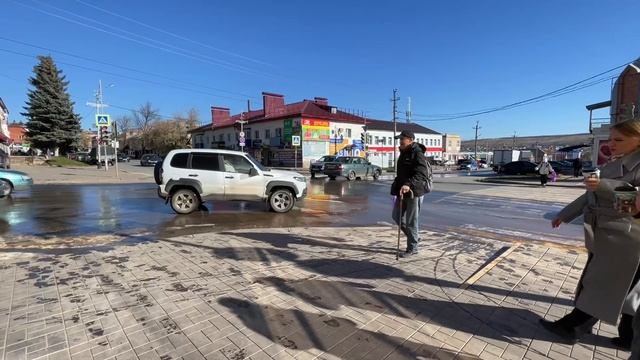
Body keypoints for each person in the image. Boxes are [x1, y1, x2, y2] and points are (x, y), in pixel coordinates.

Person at [540, 120, 640, 349]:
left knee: (602, 284)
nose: (611, 144)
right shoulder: (618, 162)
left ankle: (572, 328)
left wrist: (602, 185)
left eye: (619, 140)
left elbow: (634, 205)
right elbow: (590, 195)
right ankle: (629, 337)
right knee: (629, 289)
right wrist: (565, 214)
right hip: (612, 235)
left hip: (627, 238)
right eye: (610, 139)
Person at [391, 130, 429, 257]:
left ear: (410, 139)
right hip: (402, 191)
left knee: (411, 221)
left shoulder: (417, 153)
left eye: (402, 139)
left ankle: (412, 248)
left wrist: (408, 184)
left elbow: (421, 174)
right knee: (396, 216)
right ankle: (415, 238)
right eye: (399, 139)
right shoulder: (403, 153)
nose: (400, 141)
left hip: (414, 192)